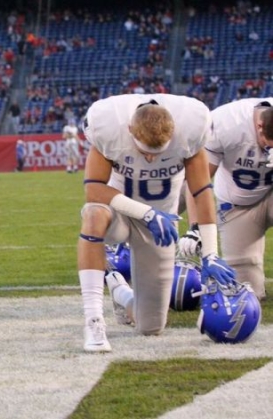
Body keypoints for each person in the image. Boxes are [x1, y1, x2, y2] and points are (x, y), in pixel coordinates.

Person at [77, 94, 235, 352]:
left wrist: (210, 253)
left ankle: (120, 291)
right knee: (93, 213)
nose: (150, 159)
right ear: (129, 130)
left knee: (150, 327)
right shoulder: (108, 124)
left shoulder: (191, 128)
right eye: (144, 152)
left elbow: (202, 191)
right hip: (120, 212)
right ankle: (93, 320)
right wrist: (146, 213)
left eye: (157, 153)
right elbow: (93, 189)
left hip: (161, 227)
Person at [177, 98, 273, 300]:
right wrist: (196, 227)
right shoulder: (225, 123)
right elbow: (198, 182)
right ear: (259, 126)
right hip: (239, 204)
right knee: (246, 291)